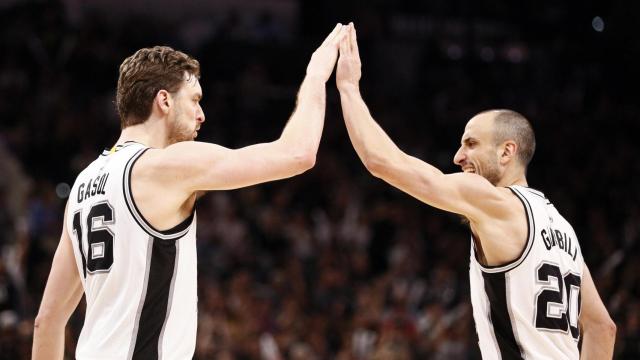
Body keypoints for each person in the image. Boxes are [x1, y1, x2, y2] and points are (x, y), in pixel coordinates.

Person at [32, 24, 348, 359]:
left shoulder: (83, 184)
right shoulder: (163, 165)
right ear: (164, 101)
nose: (202, 114)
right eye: (195, 100)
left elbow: (47, 321)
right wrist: (316, 74)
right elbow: (297, 154)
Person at [336, 23, 616, 359]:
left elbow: (382, 161)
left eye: (471, 144)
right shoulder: (564, 230)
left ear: (506, 152)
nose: (458, 157)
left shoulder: (497, 202)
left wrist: (349, 88)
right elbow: (602, 328)